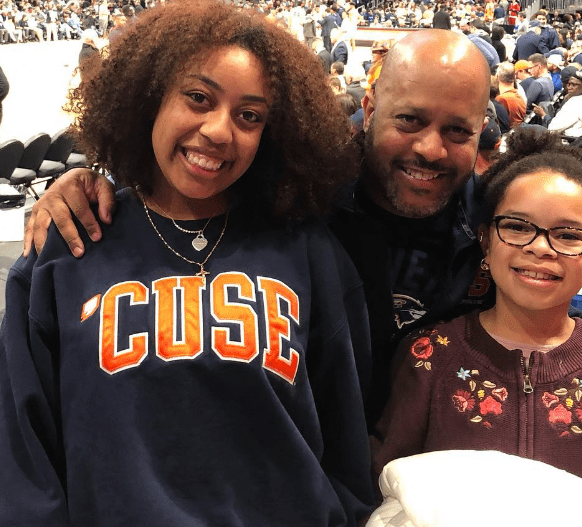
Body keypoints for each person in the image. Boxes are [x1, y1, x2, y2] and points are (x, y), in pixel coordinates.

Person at [26, 30, 582, 428]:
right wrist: (91, 181)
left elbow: (541, 296)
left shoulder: (489, 219)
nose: (431, 149)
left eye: (456, 131)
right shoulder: (291, 191)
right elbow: (192, 171)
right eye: (410, 121)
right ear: (370, 108)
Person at [0, 2, 374, 524]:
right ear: (150, 97)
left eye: (250, 116)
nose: (220, 131)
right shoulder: (68, 243)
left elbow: (347, 439)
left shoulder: (309, 252)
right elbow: (22, 452)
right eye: (198, 98)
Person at [373, 150, 582, 526]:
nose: (539, 246)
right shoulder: (428, 357)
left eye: (567, 235)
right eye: (516, 227)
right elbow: (386, 490)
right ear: (485, 241)